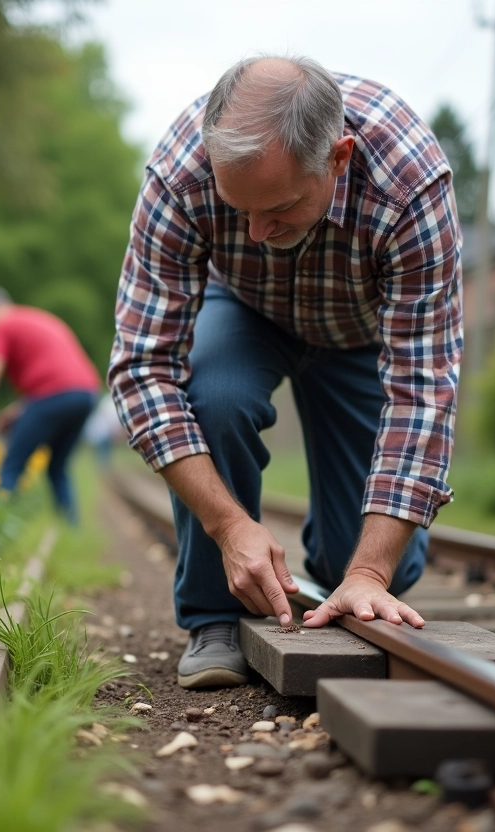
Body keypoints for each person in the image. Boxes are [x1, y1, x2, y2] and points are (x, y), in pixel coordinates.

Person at [108, 56, 462, 689]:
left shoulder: (411, 183)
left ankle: (361, 564)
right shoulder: (179, 173)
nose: (255, 230)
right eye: (237, 209)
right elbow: (142, 369)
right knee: (216, 397)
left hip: (358, 332)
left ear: (339, 157)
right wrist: (229, 525)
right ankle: (214, 615)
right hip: (242, 310)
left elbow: (424, 391)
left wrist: (370, 574)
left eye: (279, 207)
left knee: (359, 561)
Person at [0, 286, 99, 523]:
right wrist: (18, 410)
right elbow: (56, 372)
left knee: (11, 467)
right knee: (57, 467)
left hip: (52, 395)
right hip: (86, 394)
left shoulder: (1, 324)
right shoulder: (35, 318)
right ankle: (72, 528)